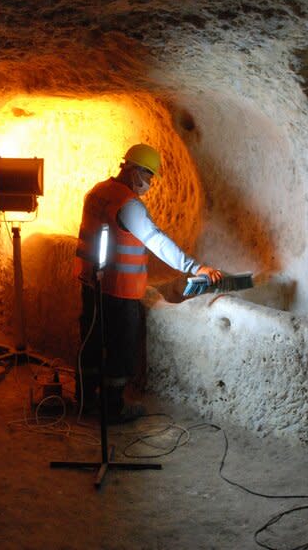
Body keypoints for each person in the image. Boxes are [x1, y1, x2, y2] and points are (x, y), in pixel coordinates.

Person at [73, 143, 222, 422]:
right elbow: (156, 240)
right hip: (119, 289)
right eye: (149, 175)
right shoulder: (128, 204)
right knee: (120, 347)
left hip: (91, 282)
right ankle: (114, 408)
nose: (149, 183)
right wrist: (195, 267)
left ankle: (84, 398)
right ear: (134, 170)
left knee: (91, 340)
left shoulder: (98, 192)